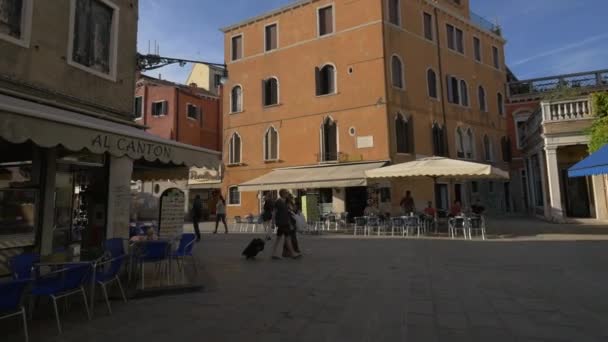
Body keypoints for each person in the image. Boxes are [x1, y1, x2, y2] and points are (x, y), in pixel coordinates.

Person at [272, 189, 301, 260]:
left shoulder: (285, 202)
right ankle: (293, 254)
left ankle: (274, 253)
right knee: (287, 238)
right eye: (286, 193)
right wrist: (273, 222)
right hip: (281, 222)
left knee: (278, 238)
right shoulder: (278, 202)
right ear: (283, 194)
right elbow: (274, 213)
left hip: (285, 222)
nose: (287, 194)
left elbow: (291, 211)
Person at [283, 193, 301, 257]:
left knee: (291, 236)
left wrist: (296, 209)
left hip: (292, 221)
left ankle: (291, 250)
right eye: (291, 197)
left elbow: (294, 211)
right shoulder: (286, 205)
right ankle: (290, 251)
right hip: (289, 222)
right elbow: (287, 214)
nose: (292, 198)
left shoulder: (291, 204)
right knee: (290, 237)